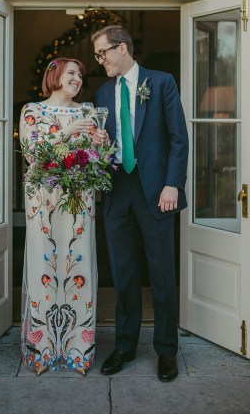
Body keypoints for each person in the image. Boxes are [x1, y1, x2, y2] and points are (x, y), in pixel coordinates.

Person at [91, 25, 189, 382]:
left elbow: (179, 139)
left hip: (156, 193)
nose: (100, 60)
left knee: (162, 275)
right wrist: (99, 144)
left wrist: (172, 185)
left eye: (102, 53)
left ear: (121, 48)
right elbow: (103, 145)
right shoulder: (102, 92)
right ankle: (124, 346)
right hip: (117, 193)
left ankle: (166, 350)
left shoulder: (161, 83)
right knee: (124, 275)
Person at [19, 58, 97, 376]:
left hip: (79, 200)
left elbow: (94, 158)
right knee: (44, 264)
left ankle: (78, 349)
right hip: (44, 203)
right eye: (71, 73)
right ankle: (44, 348)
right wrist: (66, 132)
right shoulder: (32, 111)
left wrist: (98, 145)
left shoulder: (88, 111)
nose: (77, 78)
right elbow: (31, 153)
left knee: (78, 263)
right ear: (55, 76)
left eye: (79, 74)